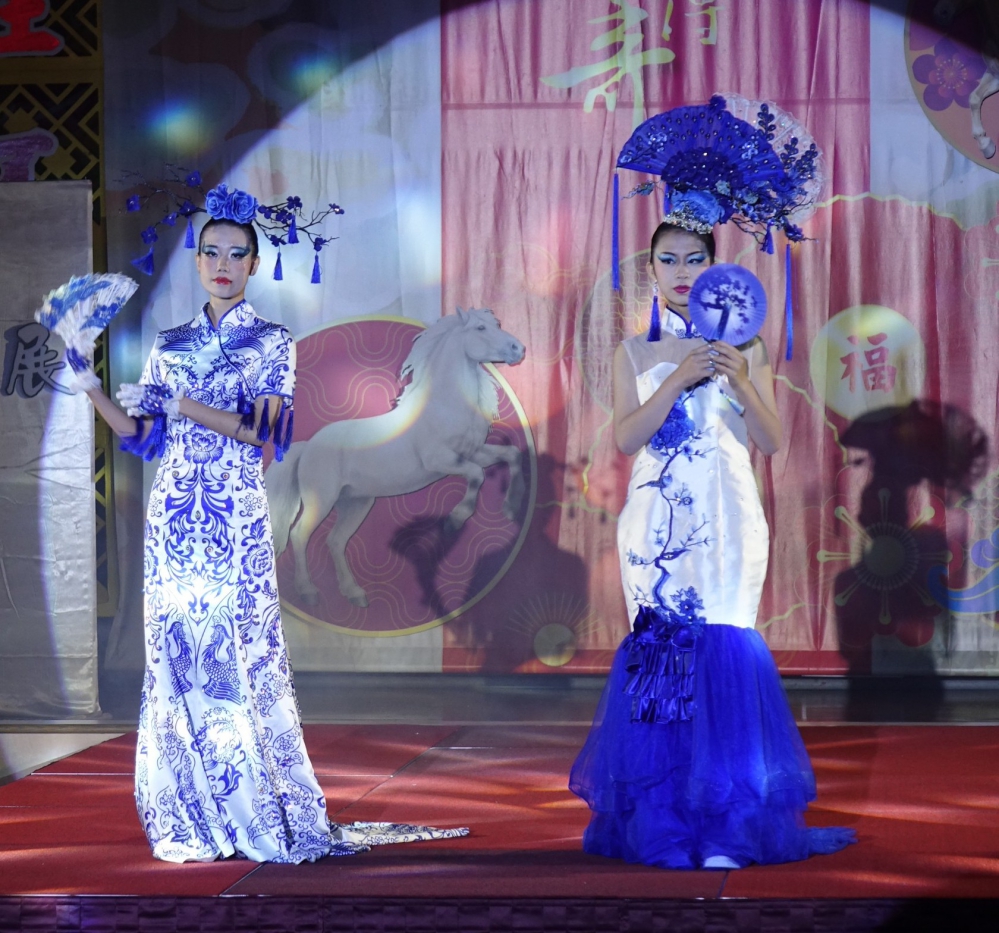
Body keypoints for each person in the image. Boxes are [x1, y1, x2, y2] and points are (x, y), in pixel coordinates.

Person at [76, 205, 465, 862]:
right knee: (174, 657)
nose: (222, 266)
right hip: (174, 516)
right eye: (211, 253)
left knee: (235, 653)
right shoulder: (170, 343)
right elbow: (143, 435)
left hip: (233, 514)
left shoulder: (271, 342)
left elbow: (260, 431)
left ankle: (250, 803)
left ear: (254, 265)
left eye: (236, 255)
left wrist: (181, 403)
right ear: (198, 261)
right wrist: (90, 385)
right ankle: (189, 810)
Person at [568, 221, 856, 870]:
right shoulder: (633, 351)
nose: (680, 272)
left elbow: (772, 441)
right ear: (650, 269)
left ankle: (730, 828)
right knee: (663, 663)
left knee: (725, 658)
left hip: (728, 521)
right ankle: (663, 828)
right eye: (667, 259)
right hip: (656, 528)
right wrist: (676, 378)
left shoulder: (746, 346)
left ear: (714, 269)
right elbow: (626, 438)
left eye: (693, 259)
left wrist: (741, 379)